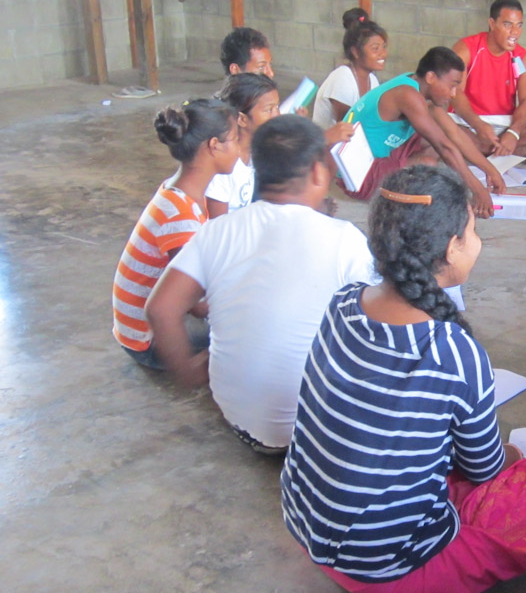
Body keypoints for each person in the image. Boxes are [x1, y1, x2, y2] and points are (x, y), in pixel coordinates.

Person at [280, 165, 526, 592]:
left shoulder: (343, 301)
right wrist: (514, 456)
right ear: (452, 248)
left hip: (307, 528)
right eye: (473, 232)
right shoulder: (453, 351)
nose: (477, 243)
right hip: (391, 569)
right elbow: (486, 470)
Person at [145, 115, 376, 453]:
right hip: (311, 433)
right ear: (318, 173)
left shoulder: (216, 231)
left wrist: (190, 372)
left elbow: (161, 309)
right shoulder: (345, 240)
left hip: (234, 414)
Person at [111, 99, 240, 369]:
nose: (239, 150)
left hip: (139, 329)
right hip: (148, 341)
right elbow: (196, 305)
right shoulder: (180, 218)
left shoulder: (181, 192)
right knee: (253, 328)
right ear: (214, 146)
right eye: (235, 140)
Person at [343, 46, 505, 218]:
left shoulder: (416, 86)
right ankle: (395, 199)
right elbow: (445, 147)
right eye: (452, 86)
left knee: (442, 138)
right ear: (431, 77)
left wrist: (491, 171)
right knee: (427, 163)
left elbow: (455, 134)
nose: (453, 94)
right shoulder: (407, 95)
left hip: (379, 156)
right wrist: (478, 190)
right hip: (357, 177)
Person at [449, 0, 526, 164]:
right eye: (508, 25)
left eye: (519, 25)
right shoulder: (466, 49)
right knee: (438, 121)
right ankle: (510, 151)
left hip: (504, 123)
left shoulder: (522, 58)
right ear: (492, 24)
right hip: (468, 121)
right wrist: (478, 124)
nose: (515, 32)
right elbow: (455, 94)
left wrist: (514, 133)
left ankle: (482, 149)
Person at [206, 73, 280, 217]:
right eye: (269, 110)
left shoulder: (257, 150)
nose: (277, 115)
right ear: (241, 119)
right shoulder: (222, 162)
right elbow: (217, 225)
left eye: (277, 107)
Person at [313, 8, 388, 130]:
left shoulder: (372, 80)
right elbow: (346, 127)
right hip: (329, 141)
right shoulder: (342, 78)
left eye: (384, 47)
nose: (383, 53)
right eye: (375, 48)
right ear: (356, 52)